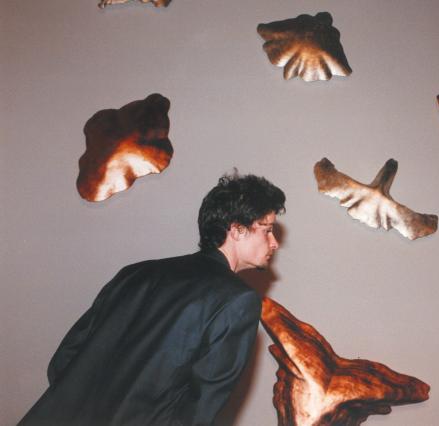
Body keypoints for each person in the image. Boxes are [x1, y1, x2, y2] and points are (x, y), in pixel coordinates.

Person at [18, 173, 286, 426]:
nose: (274, 243)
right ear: (237, 230)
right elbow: (199, 412)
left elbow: (63, 361)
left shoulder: (135, 273)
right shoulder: (238, 301)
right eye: (267, 230)